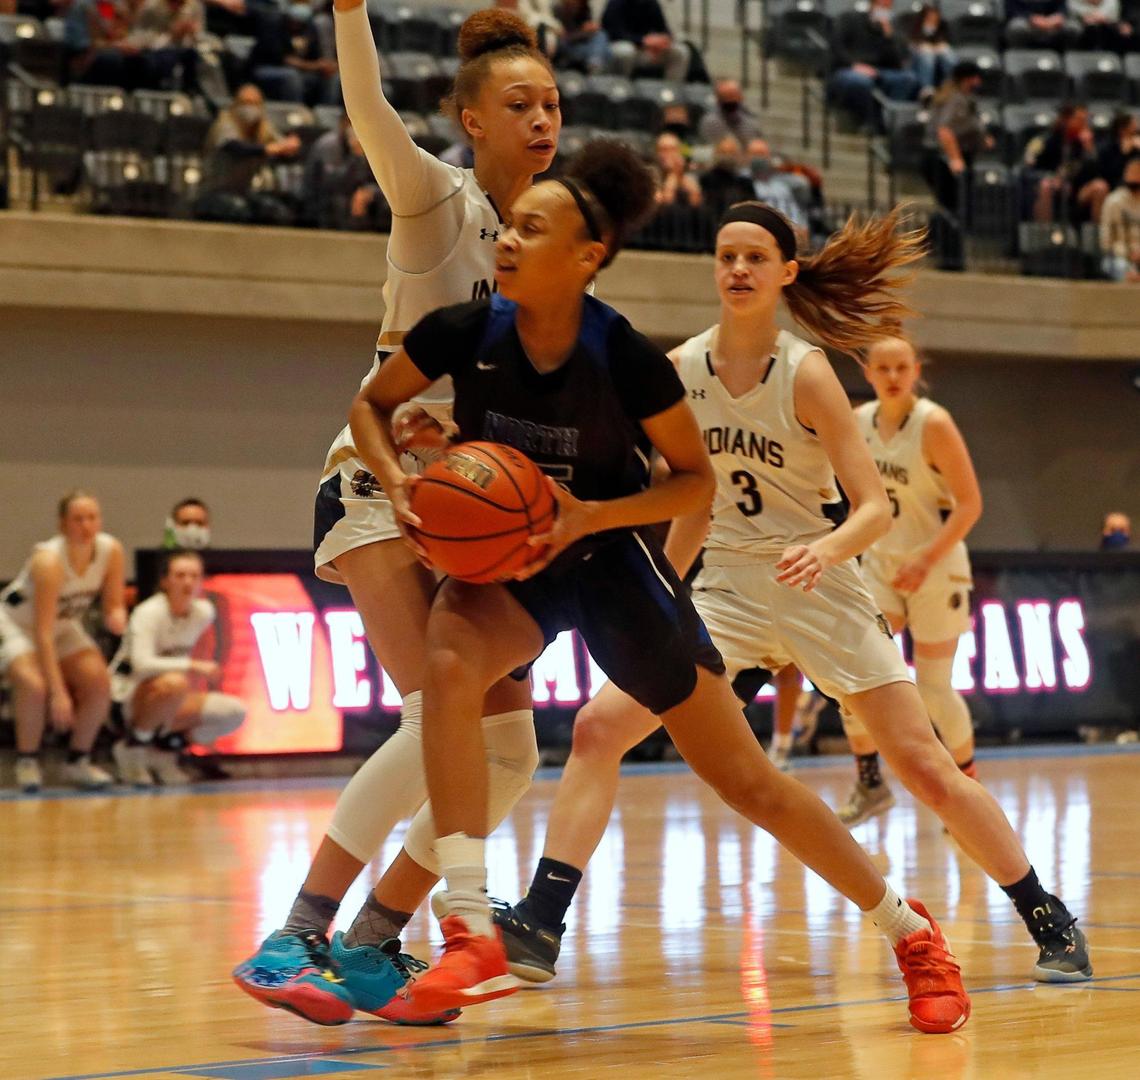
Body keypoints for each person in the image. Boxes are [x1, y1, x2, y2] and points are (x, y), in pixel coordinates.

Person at [350, 164, 974, 1034]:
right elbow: (372, 405)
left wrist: (589, 516)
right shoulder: (462, 330)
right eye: (509, 225)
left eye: (532, 228)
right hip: (517, 566)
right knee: (449, 661)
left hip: (611, 563)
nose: (508, 240)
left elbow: (693, 484)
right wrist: (399, 482)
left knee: (748, 784)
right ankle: (468, 926)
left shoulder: (627, 358)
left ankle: (910, 933)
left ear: (587, 256)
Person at [483, 201, 1091, 998]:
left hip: (819, 583)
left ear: (785, 273)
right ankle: (542, 916)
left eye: (755, 258)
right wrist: (663, 594)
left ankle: (1047, 915)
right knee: (599, 728)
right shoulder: (682, 368)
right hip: (727, 591)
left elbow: (871, 507)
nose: (738, 269)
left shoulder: (806, 372)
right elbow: (691, 503)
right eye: (726, 256)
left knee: (925, 766)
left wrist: (827, 549)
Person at [232, 5, 559, 1029]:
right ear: (472, 119)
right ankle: (295, 934)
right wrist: (348, 12)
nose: (543, 120)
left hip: (466, 504)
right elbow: (367, 107)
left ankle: (374, 940)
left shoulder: (545, 244)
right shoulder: (435, 201)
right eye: (521, 104)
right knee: (435, 719)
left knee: (511, 754)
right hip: (380, 482)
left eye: (553, 104)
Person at [834, 336, 982, 826]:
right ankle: (870, 783)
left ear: (916, 370)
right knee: (853, 671)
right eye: (883, 368)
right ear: (868, 373)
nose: (893, 376)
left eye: (902, 367)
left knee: (934, 688)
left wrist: (925, 558)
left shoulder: (933, 423)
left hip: (936, 565)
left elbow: (970, 505)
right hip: (881, 564)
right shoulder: (857, 421)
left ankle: (969, 789)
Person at [1, 492, 126, 793]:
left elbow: (114, 604)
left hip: (63, 624)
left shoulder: (111, 550)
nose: (86, 525)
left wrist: (117, 616)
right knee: (35, 685)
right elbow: (42, 632)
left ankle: (77, 760)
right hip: (17, 624)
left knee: (99, 682)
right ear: (62, 524)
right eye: (78, 519)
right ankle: (27, 761)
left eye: (92, 518)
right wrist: (59, 693)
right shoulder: (48, 561)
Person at [109, 549, 245, 787]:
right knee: (174, 683)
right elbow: (141, 665)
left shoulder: (204, 612)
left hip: (173, 697)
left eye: (194, 576)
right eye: (180, 575)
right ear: (165, 581)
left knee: (233, 712)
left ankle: (164, 750)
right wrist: (193, 665)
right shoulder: (148, 613)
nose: (188, 582)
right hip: (127, 694)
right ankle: (132, 748)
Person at [196, 84, 302, 224]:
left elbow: (284, 148)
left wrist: (291, 146)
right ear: (236, 104)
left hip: (243, 193)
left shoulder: (263, 127)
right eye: (245, 103)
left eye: (254, 104)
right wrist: (272, 148)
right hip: (213, 194)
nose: (250, 108)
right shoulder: (225, 123)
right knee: (238, 209)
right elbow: (237, 148)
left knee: (273, 210)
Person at [828, 0, 920, 131]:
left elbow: (898, 62)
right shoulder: (849, 19)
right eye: (881, 5)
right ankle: (872, 122)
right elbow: (837, 48)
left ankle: (892, 122)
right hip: (848, 68)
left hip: (879, 71)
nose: (883, 10)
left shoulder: (891, 28)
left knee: (908, 79)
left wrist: (889, 36)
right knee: (860, 81)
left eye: (887, 7)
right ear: (872, 4)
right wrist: (854, 65)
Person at [922, 61, 986, 215]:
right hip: (943, 159)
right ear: (968, 79)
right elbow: (944, 130)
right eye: (976, 77)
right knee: (953, 208)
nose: (979, 82)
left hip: (946, 157)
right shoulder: (955, 99)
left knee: (954, 207)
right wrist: (955, 159)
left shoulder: (960, 97)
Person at [601, 0, 689, 82]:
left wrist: (662, 42)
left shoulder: (651, 3)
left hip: (648, 50)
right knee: (626, 51)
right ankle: (620, 89)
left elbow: (664, 30)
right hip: (620, 47)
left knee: (680, 51)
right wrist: (643, 41)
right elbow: (614, 33)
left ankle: (670, 90)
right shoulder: (616, 3)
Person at [1099, 155, 1140, 281]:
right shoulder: (1113, 201)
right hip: (1119, 258)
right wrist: (1128, 254)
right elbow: (1106, 242)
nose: (1134, 176)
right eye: (1131, 172)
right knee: (1120, 267)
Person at [697, 77, 764, 147]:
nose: (730, 101)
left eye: (733, 96)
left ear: (740, 97)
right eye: (726, 97)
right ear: (718, 99)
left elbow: (756, 146)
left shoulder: (751, 122)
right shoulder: (710, 122)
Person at [909, 5, 955, 94]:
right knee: (927, 54)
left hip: (938, 56)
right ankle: (926, 89)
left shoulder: (942, 28)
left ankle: (952, 84)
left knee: (947, 54)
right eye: (930, 17)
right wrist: (924, 45)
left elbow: (945, 42)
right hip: (918, 58)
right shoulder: (914, 27)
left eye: (935, 18)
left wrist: (937, 47)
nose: (932, 19)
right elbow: (912, 44)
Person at [1006, 0, 1083, 48]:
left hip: (1053, 23)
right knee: (1017, 26)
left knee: (1072, 27)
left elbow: (1062, 9)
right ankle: (1019, 55)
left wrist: (1056, 18)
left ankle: (1067, 59)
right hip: (1027, 22)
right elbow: (1012, 10)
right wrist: (1032, 18)